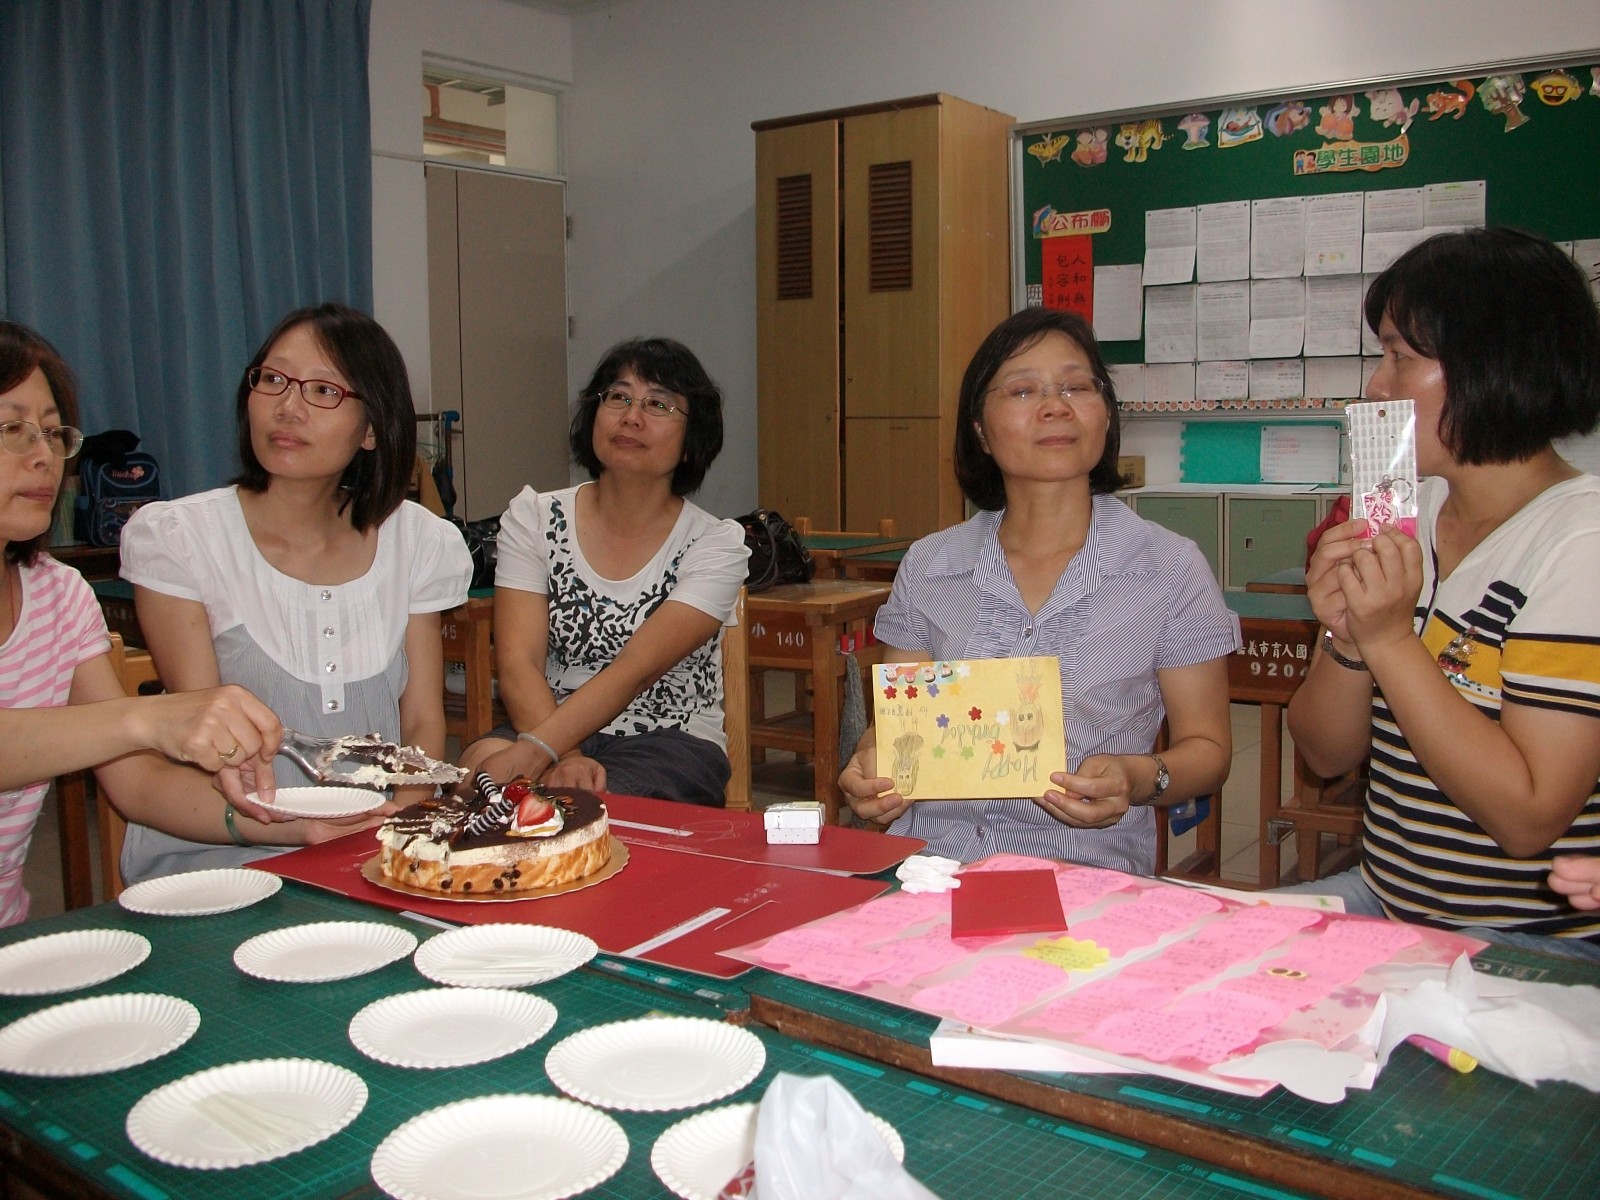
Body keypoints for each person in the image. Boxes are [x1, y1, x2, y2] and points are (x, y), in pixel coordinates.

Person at [1286, 228, 1600, 961]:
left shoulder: (1579, 542)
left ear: (1495, 363)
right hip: (1389, 898)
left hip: (1534, 938)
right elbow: (1324, 756)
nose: (1376, 386)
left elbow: (1527, 818)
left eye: (1401, 357)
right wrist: (1348, 639)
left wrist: (1391, 640)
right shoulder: (1408, 511)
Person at [837, 308, 1239, 872]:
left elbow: (1209, 750)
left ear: (1105, 415)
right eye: (1023, 391)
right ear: (980, 430)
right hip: (933, 864)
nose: (1056, 406)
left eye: (1077, 387)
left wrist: (1138, 777)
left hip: (1083, 870)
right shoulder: (930, 565)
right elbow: (897, 726)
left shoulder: (1168, 568)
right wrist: (872, 763)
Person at [0, 320, 353, 925]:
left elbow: (136, 782)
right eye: (12, 430)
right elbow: (126, 733)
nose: (43, 456)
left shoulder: (58, 596)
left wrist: (291, 823)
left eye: (54, 433)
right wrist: (145, 719)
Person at [119, 303, 472, 882]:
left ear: (371, 428)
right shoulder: (181, 538)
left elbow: (421, 725)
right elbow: (208, 736)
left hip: (370, 848)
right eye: (273, 380)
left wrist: (396, 835)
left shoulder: (415, 540)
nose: (288, 407)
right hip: (223, 847)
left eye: (324, 391)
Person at [459, 337, 747, 807]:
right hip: (544, 720)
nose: (632, 416)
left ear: (693, 439)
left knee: (592, 807)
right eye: (619, 396)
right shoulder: (534, 518)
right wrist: (563, 754)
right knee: (476, 776)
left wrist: (544, 753)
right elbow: (518, 663)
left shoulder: (715, 545)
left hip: (667, 737)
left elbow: (635, 670)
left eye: (658, 404)